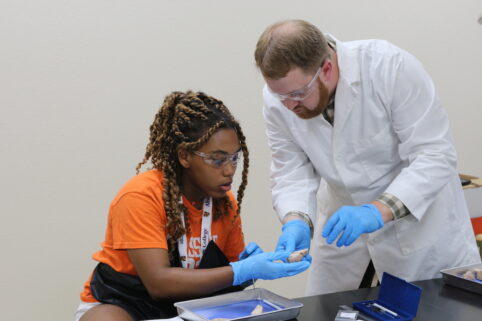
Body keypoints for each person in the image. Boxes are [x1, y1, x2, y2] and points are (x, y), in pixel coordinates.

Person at [254, 19, 481, 295]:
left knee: (428, 310)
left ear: (326, 68)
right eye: (281, 97)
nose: (290, 105)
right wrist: (296, 220)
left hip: (417, 224)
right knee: (325, 310)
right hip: (342, 228)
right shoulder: (279, 97)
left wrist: (377, 210)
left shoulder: (388, 67)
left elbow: (434, 155)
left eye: (299, 94)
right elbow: (291, 169)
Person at [75, 91, 311, 321]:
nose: (230, 170)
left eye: (234, 158)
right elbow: (158, 283)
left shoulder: (224, 204)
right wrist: (242, 270)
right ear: (184, 156)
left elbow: (228, 284)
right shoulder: (141, 196)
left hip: (192, 304)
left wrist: (249, 271)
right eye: (217, 159)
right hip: (125, 303)